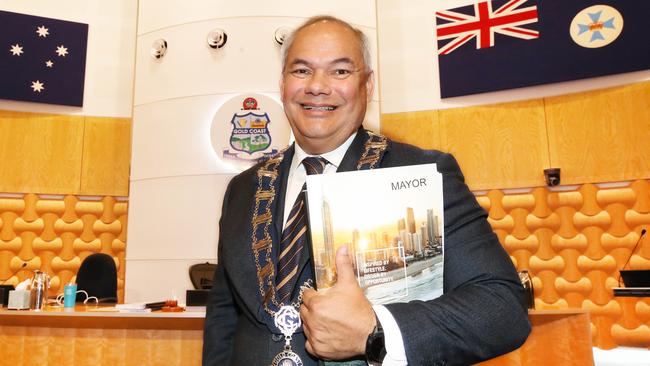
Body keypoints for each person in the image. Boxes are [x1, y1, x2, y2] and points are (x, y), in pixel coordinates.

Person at [203, 15, 531, 366]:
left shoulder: (422, 173)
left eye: (340, 71)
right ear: (282, 84)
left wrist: (376, 332)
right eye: (301, 71)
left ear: (368, 85)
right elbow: (224, 317)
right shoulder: (243, 189)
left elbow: (501, 309)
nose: (317, 86)